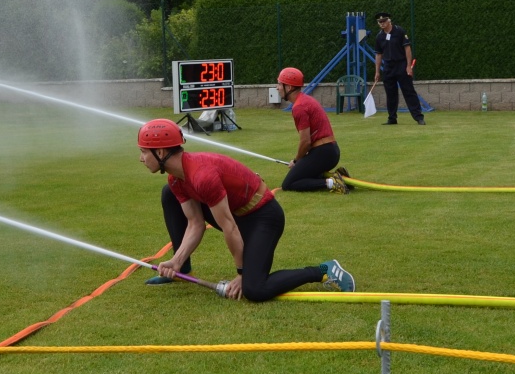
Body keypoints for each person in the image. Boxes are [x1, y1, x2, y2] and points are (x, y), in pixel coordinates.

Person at [136, 119, 354, 300]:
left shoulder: (202, 177)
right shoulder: (176, 179)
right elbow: (195, 223)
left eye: (144, 152)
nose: (141, 158)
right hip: (239, 216)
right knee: (168, 193)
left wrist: (241, 274)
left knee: (255, 289)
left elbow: (229, 227)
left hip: (264, 217)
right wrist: (176, 260)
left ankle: (324, 271)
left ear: (161, 151)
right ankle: (182, 270)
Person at [275, 66, 349, 193]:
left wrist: (296, 161)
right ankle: (342, 178)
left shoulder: (299, 107)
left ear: (289, 87)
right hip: (330, 151)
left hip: (324, 153)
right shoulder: (305, 100)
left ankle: (332, 182)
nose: (277, 88)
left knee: (289, 183)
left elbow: (305, 142)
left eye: (279, 84)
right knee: (305, 175)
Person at [371, 11, 425, 125]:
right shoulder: (379, 36)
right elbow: (378, 55)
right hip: (388, 67)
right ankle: (392, 118)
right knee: (390, 93)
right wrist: (377, 71)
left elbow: (407, 49)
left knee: (409, 91)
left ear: (389, 20)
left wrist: (409, 66)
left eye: (384, 21)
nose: (382, 23)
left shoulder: (399, 31)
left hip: (401, 65)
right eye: (379, 22)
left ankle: (419, 117)